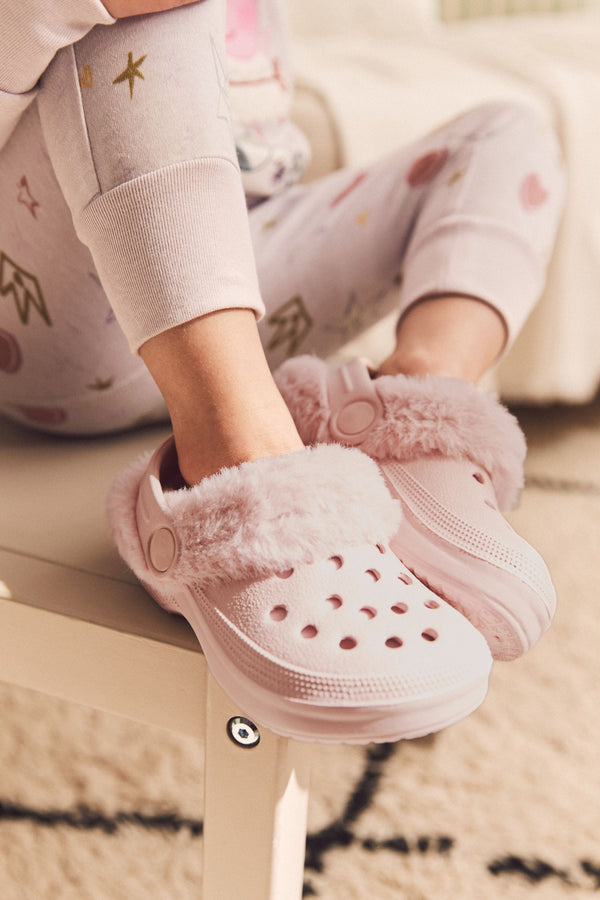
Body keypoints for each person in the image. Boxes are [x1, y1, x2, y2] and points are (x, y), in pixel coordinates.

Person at [0, 0, 564, 743]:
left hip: (231, 287)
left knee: (509, 134)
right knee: (136, 24)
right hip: (42, 312)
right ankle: (235, 445)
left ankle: (410, 410)